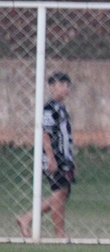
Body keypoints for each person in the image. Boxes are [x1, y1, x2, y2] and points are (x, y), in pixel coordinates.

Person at [16, 72, 76, 239]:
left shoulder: (61, 108)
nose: (65, 88)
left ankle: (27, 218)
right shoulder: (49, 109)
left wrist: (71, 158)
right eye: (61, 85)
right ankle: (59, 234)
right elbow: (45, 134)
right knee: (59, 192)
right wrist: (50, 157)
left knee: (63, 193)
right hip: (55, 157)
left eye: (67, 85)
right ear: (52, 87)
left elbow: (65, 136)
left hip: (64, 157)